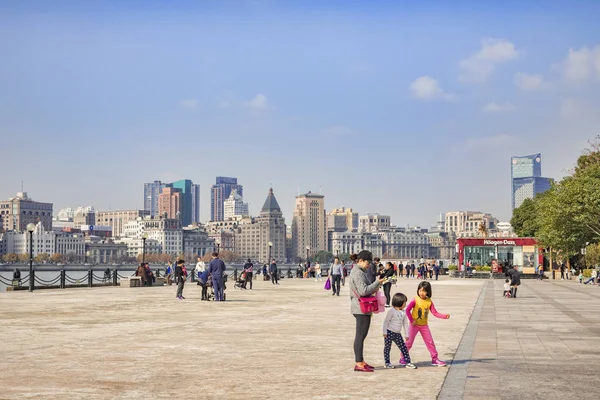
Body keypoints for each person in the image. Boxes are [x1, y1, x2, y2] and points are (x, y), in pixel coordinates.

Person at [349, 250, 384, 372]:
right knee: (360, 336)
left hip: (361, 307)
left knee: (362, 336)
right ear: (361, 261)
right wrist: (377, 283)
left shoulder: (359, 271)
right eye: (367, 262)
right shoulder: (358, 273)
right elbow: (363, 291)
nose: (369, 265)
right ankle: (359, 363)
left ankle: (361, 361)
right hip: (360, 308)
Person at [405, 281, 450, 367]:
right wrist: (411, 320)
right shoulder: (415, 299)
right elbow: (407, 310)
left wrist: (444, 316)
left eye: (424, 291)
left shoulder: (429, 302)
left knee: (430, 342)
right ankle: (403, 357)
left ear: (428, 292)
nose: (421, 293)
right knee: (409, 342)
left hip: (424, 326)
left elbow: (435, 313)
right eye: (420, 290)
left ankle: (435, 359)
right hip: (414, 325)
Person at [382, 293, 416, 369]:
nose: (405, 304)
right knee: (387, 348)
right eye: (404, 302)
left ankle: (408, 362)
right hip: (389, 332)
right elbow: (386, 321)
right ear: (399, 303)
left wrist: (407, 334)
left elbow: (405, 324)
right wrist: (384, 332)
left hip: (397, 334)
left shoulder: (404, 312)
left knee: (404, 348)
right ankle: (387, 363)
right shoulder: (391, 311)